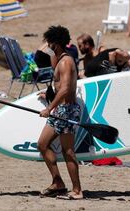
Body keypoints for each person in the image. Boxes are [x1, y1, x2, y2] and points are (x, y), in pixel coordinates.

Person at [37, 25, 83, 200]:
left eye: (49, 42)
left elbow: (64, 89)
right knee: (42, 144)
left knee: (68, 151)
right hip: (60, 110)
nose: (47, 44)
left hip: (66, 110)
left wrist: (49, 108)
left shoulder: (65, 62)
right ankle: (58, 183)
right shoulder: (58, 58)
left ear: (56, 42)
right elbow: (56, 85)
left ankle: (77, 190)